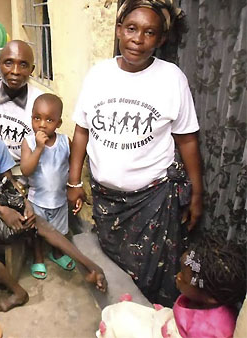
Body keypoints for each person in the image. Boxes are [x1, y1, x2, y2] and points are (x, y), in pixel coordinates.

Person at [68, 0, 203, 306]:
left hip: (153, 201)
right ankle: (121, 318)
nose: (138, 39)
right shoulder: (98, 75)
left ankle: (150, 321)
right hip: (106, 200)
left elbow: (187, 140)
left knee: (154, 274)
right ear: (119, 30)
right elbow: (81, 130)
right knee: (111, 266)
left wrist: (197, 194)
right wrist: (74, 182)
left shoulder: (172, 79)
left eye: (149, 32)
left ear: (161, 39)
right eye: (131, 28)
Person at [0, 87, 107, 312]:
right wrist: (1, 209)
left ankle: (91, 266)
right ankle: (18, 292)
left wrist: (25, 204)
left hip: (0, 202)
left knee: (43, 226)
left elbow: (9, 182)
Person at [0, 40, 48, 278]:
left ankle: (39, 248)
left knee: (38, 204)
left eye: (23, 65)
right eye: (8, 63)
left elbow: (44, 146)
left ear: (32, 70)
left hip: (23, 171)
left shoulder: (41, 100)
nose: (15, 71)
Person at [95, 232, 246, 338]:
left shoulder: (210, 330)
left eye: (184, 279)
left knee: (121, 326)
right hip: (171, 325)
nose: (178, 277)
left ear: (210, 298)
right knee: (125, 312)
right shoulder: (205, 296)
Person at [20, 93, 82, 279]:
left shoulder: (65, 142)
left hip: (59, 199)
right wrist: (39, 148)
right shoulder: (29, 142)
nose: (42, 124)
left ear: (59, 123)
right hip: (37, 200)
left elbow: (72, 169)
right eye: (37, 118)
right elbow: (26, 170)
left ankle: (56, 253)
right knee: (38, 233)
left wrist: (76, 190)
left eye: (49, 119)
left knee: (60, 232)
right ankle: (38, 258)